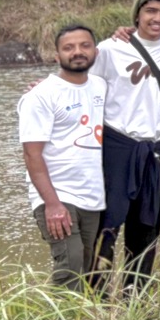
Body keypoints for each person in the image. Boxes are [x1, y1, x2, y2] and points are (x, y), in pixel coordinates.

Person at [94, 0, 160, 287]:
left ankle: (137, 302)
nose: (157, 18)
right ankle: (96, 302)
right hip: (118, 146)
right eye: (150, 11)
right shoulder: (109, 48)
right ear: (137, 14)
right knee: (106, 228)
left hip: (157, 149)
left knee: (146, 230)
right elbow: (82, 86)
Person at [20, 24, 108, 289]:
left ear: (95, 51)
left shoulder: (101, 86)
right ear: (57, 56)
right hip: (58, 195)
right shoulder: (41, 95)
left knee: (89, 270)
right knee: (69, 267)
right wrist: (52, 204)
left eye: (84, 45)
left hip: (93, 197)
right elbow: (31, 154)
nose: (78, 52)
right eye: (68, 48)